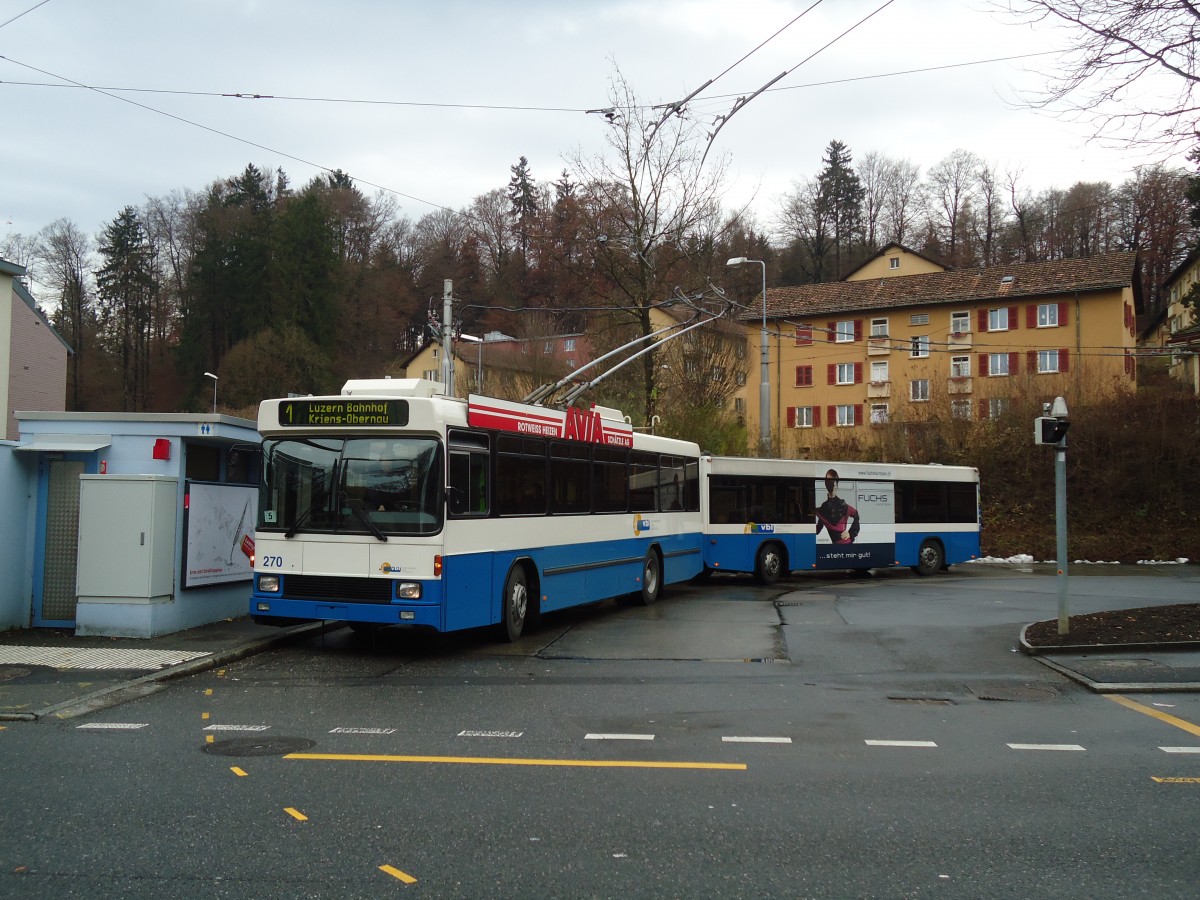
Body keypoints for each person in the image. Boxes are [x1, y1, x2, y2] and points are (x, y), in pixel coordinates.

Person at [815, 468, 860, 544]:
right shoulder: (823, 508)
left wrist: (850, 533)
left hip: (847, 545)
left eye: (832, 481)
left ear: (836, 483)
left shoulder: (843, 505)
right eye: (827, 481)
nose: (830, 483)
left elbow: (856, 515)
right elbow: (818, 528)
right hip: (835, 549)